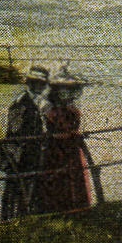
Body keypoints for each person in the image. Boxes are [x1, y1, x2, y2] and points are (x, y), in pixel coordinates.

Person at [0, 66, 50, 220]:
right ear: (29, 83)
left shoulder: (40, 103)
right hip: (21, 154)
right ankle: (11, 221)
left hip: (35, 153)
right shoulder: (20, 103)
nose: (39, 86)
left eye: (42, 83)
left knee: (33, 188)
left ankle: (28, 219)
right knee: (16, 190)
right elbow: (13, 131)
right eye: (36, 82)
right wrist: (13, 156)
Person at [38, 70, 93, 214]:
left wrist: (77, 135)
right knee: (57, 179)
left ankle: (77, 208)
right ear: (55, 91)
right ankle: (57, 209)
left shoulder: (73, 110)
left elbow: (74, 127)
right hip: (56, 150)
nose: (65, 93)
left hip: (72, 150)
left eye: (68, 90)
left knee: (74, 178)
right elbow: (58, 128)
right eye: (61, 90)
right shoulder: (50, 110)